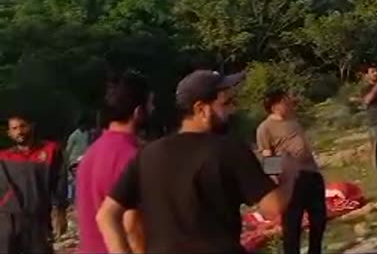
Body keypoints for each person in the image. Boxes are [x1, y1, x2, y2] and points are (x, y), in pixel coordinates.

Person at [95, 70, 284, 254]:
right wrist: (287, 168)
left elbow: (106, 215)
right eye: (225, 104)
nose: (232, 110)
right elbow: (273, 207)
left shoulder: (148, 154)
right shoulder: (229, 150)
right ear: (201, 109)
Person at [75, 72, 151, 254]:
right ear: (138, 112)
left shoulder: (90, 154)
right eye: (151, 103)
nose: (153, 109)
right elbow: (132, 225)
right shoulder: (133, 157)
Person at [257, 90, 325, 254]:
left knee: (319, 219)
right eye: (285, 100)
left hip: (311, 173)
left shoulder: (293, 120)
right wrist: (275, 182)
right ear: (275, 106)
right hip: (291, 180)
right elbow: (267, 154)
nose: (289, 102)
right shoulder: (265, 128)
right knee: (292, 224)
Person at [0, 115, 67, 254]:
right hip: (7, 220)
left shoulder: (51, 150)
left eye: (22, 126)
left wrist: (60, 212)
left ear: (32, 126)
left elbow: (60, 182)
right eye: (14, 128)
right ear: (9, 133)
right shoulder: (3, 156)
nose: (19, 131)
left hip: (38, 219)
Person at [64, 115, 100, 207]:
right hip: (75, 160)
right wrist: (67, 162)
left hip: (85, 159)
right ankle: (72, 200)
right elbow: (68, 149)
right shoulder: (74, 135)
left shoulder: (89, 134)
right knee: (74, 181)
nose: (85, 127)